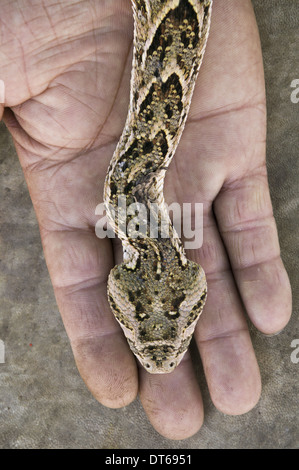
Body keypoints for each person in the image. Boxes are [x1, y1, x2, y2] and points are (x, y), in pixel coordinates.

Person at [0, 0, 292, 440]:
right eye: (179, 324)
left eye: (140, 333)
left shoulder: (131, 198)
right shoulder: (124, 199)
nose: (158, 356)